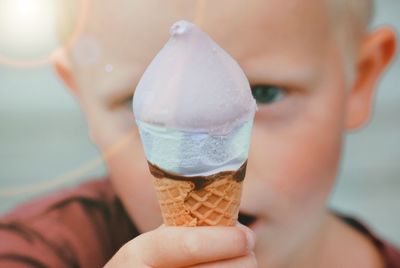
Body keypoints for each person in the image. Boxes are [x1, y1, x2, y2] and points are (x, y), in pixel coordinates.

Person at [1, 0, 399, 267]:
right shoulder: (39, 249)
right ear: (82, 99)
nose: (200, 161)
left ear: (359, 80)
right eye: (138, 101)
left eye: (266, 93)